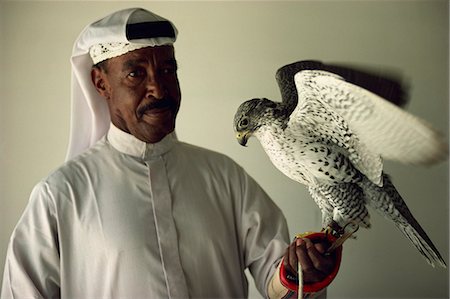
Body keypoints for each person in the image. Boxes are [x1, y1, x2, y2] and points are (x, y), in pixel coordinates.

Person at [1, 8, 339, 298]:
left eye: (167, 70)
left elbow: (278, 279)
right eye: (136, 73)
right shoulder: (59, 195)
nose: (158, 89)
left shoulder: (224, 177)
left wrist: (299, 272)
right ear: (100, 83)